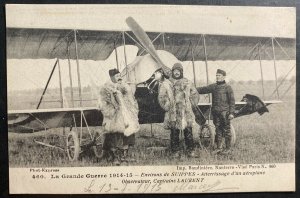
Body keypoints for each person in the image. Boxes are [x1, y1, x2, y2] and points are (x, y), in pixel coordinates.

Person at [97, 68, 140, 165]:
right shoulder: (105, 88)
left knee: (128, 133)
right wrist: (112, 111)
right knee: (114, 135)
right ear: (112, 77)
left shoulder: (124, 87)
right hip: (113, 116)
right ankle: (114, 156)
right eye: (117, 76)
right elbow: (102, 104)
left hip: (125, 114)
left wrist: (132, 109)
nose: (119, 77)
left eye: (120, 75)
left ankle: (124, 155)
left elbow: (131, 99)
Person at [164, 63, 200, 157]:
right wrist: (167, 105)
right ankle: (175, 152)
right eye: (175, 71)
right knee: (174, 132)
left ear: (181, 72)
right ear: (172, 72)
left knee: (188, 131)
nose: (176, 73)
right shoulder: (167, 83)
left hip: (186, 111)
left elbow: (195, 94)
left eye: (178, 71)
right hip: (173, 111)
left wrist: (191, 105)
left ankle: (190, 151)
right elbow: (161, 96)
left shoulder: (187, 82)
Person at [196, 69, 235, 155]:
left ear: (224, 77)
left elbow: (232, 101)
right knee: (218, 130)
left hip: (225, 113)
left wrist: (231, 113)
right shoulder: (213, 86)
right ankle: (219, 148)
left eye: (219, 75)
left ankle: (228, 149)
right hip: (216, 113)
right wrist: (192, 89)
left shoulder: (228, 88)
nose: (217, 77)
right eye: (216, 75)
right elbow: (203, 89)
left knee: (227, 130)